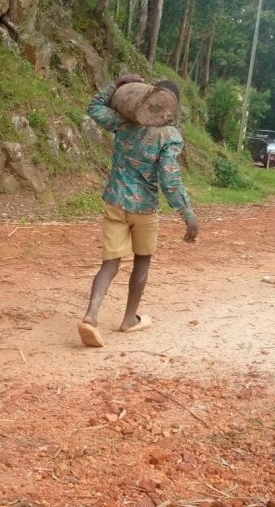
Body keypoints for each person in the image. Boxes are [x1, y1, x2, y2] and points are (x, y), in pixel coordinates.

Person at [78, 74, 199, 348]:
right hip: (144, 209)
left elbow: (95, 107)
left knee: (110, 264)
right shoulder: (169, 136)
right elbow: (169, 179)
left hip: (115, 202)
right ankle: (129, 319)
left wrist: (116, 84)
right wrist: (187, 212)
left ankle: (90, 316)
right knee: (141, 264)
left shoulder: (124, 122)